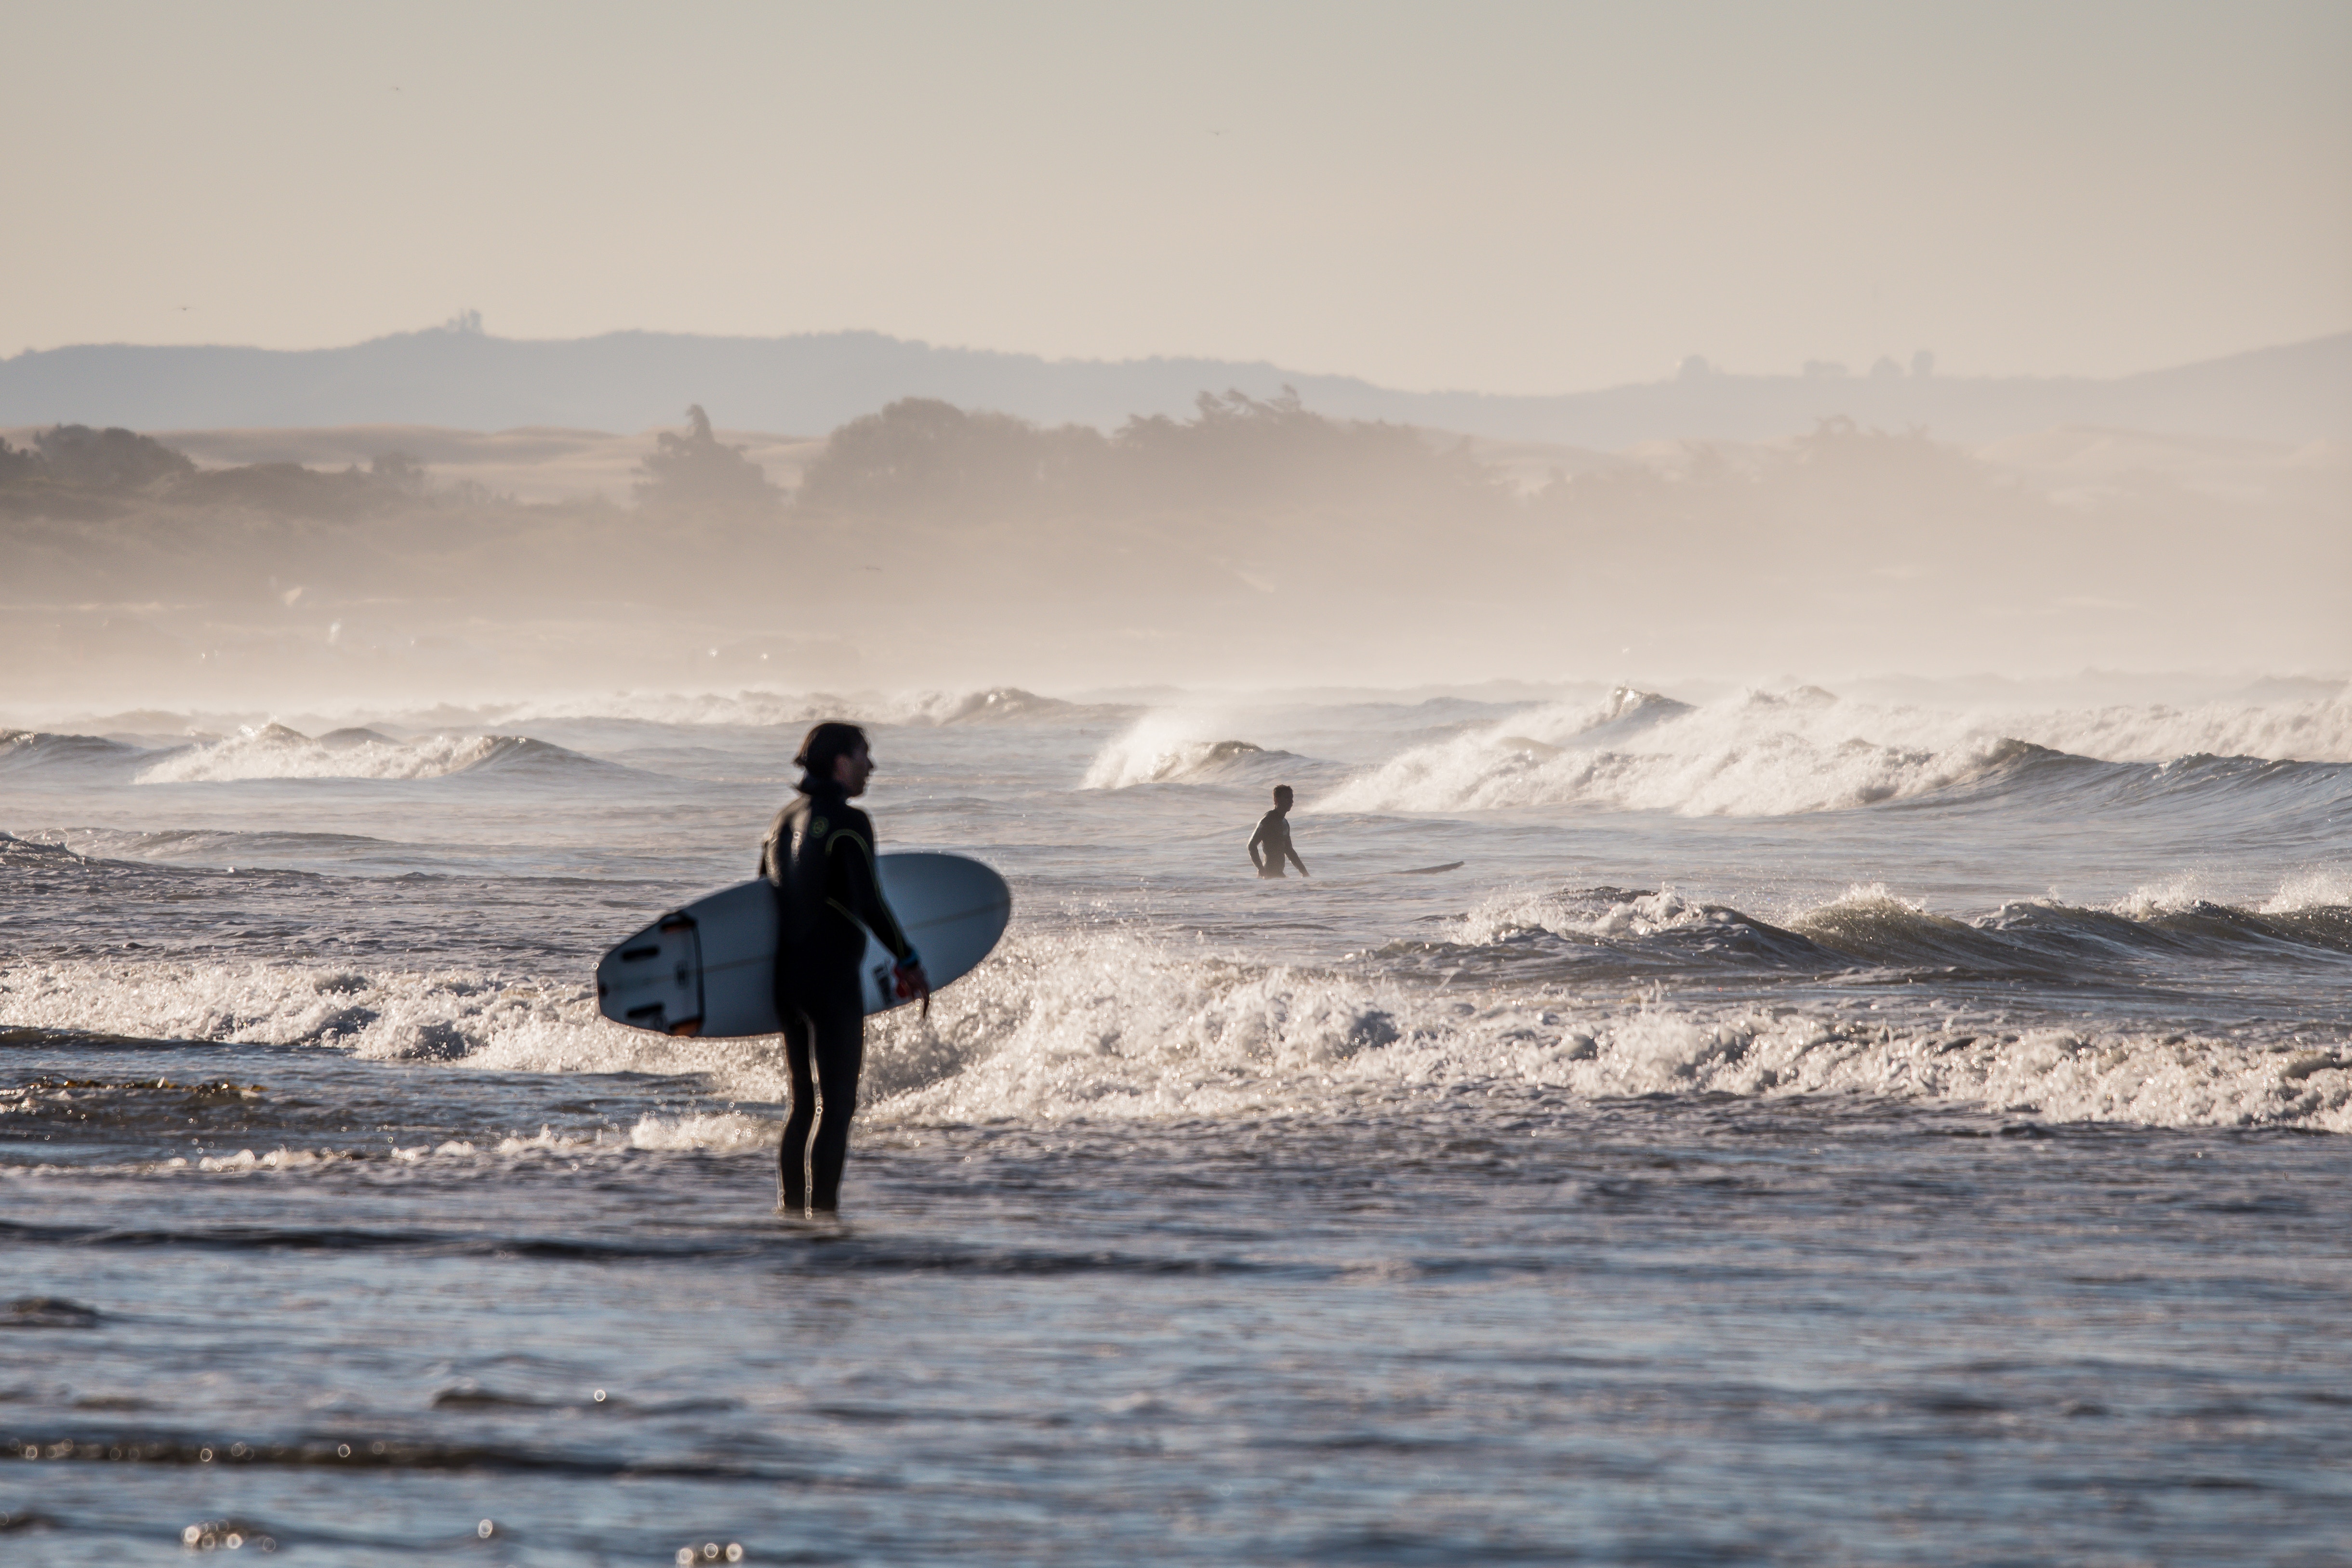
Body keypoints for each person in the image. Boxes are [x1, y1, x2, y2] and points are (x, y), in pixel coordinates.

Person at [758, 721, 928, 1215]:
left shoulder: (781, 820)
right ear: (840, 763)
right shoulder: (850, 821)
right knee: (837, 1108)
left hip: (787, 981)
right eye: (864, 755)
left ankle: (792, 1215)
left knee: (803, 1106)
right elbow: (870, 902)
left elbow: (760, 905)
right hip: (831, 981)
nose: (871, 766)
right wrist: (909, 959)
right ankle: (826, 1220)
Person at [1248, 784, 1309, 878]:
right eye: (1287, 798)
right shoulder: (1267, 821)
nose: (1291, 801)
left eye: (1292, 798)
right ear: (1277, 800)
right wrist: (1261, 869)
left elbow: (1289, 851)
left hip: (1278, 875)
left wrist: (1304, 872)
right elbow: (1252, 845)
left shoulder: (1285, 823)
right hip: (1269, 875)